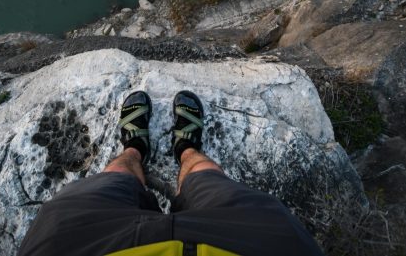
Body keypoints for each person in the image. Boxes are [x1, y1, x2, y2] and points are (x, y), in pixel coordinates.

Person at [18, 90, 324, 256]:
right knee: (208, 179)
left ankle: (135, 148)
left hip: (93, 244)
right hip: (244, 243)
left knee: (107, 183)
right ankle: (186, 150)